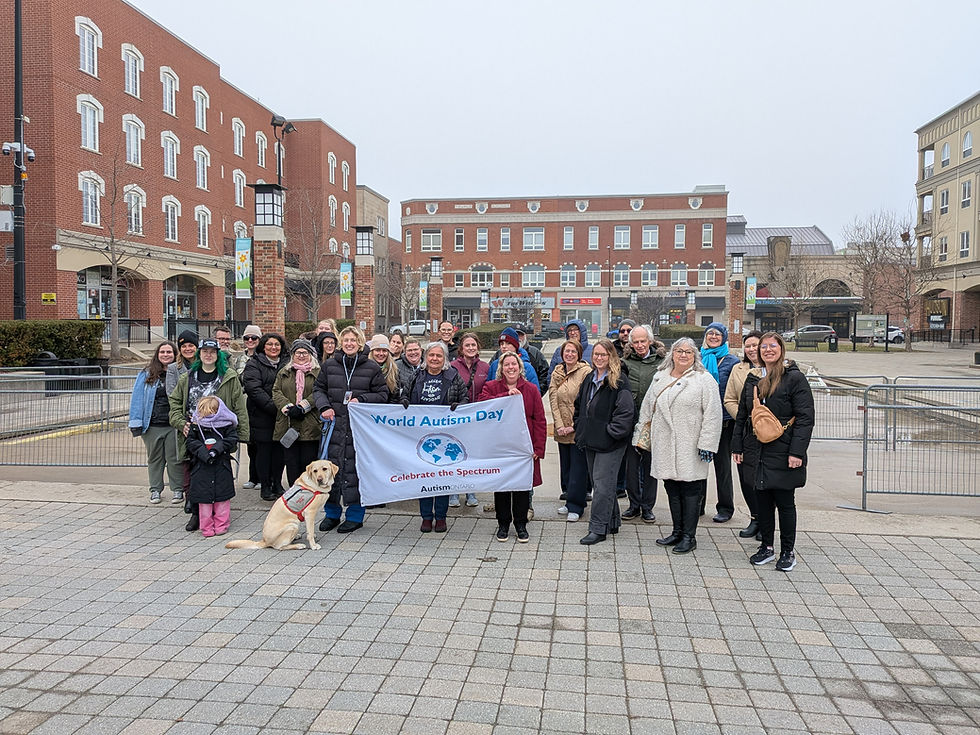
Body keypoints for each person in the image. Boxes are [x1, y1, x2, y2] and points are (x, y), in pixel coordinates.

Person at [732, 332, 814, 572]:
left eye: (772, 346)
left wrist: (797, 452)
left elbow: (805, 418)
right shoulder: (753, 378)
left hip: (784, 448)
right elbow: (743, 416)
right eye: (763, 347)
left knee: (785, 503)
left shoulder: (794, 378)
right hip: (756, 449)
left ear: (781, 349)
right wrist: (737, 446)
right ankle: (766, 547)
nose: (767, 350)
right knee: (763, 502)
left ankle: (788, 551)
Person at [639, 337, 721, 554]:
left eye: (688, 352)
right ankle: (676, 531)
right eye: (679, 351)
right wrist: (642, 434)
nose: (683, 355)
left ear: (695, 355)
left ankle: (689, 536)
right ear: (672, 354)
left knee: (690, 489)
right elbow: (647, 408)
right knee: (672, 487)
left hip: (690, 444)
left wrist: (707, 443)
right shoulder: (660, 376)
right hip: (664, 442)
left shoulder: (704, 379)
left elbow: (713, 414)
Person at [313, 326, 389, 534]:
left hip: (359, 430)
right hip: (334, 426)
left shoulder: (371, 368)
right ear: (341, 343)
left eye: (353, 340)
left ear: (360, 343)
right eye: (345, 340)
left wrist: (361, 399)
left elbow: (383, 394)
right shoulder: (329, 365)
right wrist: (324, 407)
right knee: (330, 470)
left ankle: (355, 516)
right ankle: (332, 514)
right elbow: (318, 389)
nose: (349, 344)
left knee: (356, 472)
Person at [169, 338, 250, 532]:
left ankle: (219, 516)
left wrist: (242, 433)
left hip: (220, 432)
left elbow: (239, 405)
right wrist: (181, 423)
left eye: (212, 352)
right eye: (204, 351)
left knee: (217, 474)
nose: (208, 355)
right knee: (194, 475)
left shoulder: (228, 377)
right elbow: (175, 403)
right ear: (199, 354)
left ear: (217, 354)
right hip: (194, 432)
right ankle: (196, 513)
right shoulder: (188, 377)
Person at [479, 351, 546, 543]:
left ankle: (520, 524)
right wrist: (505, 396)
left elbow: (540, 420)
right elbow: (481, 406)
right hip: (500, 446)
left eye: (514, 364)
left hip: (524, 448)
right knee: (502, 486)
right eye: (507, 364)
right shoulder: (491, 387)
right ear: (501, 368)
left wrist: (538, 448)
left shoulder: (531, 389)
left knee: (521, 487)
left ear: (520, 367)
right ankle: (503, 524)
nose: (510, 367)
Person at [574, 338, 635, 545]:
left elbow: (626, 413)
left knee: (601, 485)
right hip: (590, 439)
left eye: (603, 355)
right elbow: (579, 405)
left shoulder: (619, 380)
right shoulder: (590, 377)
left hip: (610, 443)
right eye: (596, 354)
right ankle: (613, 521)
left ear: (611, 357)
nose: (599, 358)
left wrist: (610, 432)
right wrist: (580, 426)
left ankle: (598, 528)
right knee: (602, 484)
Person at [406, 341, 469, 533]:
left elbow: (465, 398)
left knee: (442, 477)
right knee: (424, 476)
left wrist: (459, 407)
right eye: (431, 355)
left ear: (445, 359)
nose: (435, 359)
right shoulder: (417, 376)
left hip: (445, 436)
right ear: (426, 357)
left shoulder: (453, 376)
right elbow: (404, 396)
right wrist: (404, 402)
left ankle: (441, 517)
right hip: (420, 436)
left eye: (439, 356)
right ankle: (426, 517)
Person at [622, 325, 667, 523]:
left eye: (643, 341)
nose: (640, 345)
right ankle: (634, 504)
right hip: (631, 421)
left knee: (650, 467)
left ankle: (648, 506)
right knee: (631, 468)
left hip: (653, 422)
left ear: (650, 341)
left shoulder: (662, 363)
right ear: (631, 344)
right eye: (636, 342)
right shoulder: (625, 363)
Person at [128, 341, 182, 505]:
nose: (166, 355)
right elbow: (137, 398)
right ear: (157, 355)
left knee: (175, 459)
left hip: (173, 425)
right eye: (162, 352)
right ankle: (155, 490)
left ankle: (178, 489)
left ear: (175, 354)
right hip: (152, 425)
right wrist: (135, 422)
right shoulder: (146, 374)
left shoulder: (180, 372)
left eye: (169, 352)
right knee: (155, 459)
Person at [724, 330, 764, 539]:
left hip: (770, 432)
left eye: (755, 345)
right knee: (746, 478)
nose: (751, 349)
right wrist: (744, 417)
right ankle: (755, 517)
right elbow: (729, 399)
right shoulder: (737, 369)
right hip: (745, 430)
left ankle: (766, 521)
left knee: (766, 478)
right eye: (747, 346)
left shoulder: (777, 369)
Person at [700, 322, 741, 523]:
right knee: (698, 466)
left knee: (722, 467)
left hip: (724, 422)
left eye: (718, 334)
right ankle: (697, 505)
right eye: (710, 333)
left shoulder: (732, 361)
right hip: (701, 421)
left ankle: (725, 507)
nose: (713, 336)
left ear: (724, 337)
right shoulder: (698, 358)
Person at [242, 332, 289, 500]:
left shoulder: (287, 363)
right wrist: (274, 407)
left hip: (283, 415)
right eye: (269, 344)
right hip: (262, 414)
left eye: (277, 344)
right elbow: (254, 389)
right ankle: (266, 486)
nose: (273, 347)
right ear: (263, 346)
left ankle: (277, 483)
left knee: (280, 452)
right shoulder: (254, 363)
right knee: (264, 452)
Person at [549, 340, 592, 522]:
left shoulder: (586, 372)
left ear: (579, 354)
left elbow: (587, 402)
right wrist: (559, 425)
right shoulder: (557, 372)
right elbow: (553, 399)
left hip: (578, 429)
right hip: (561, 429)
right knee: (566, 468)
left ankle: (577, 505)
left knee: (578, 469)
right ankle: (569, 501)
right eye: (567, 351)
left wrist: (573, 426)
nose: (570, 354)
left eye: (573, 351)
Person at [184, 396, 239, 537]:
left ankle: (221, 525)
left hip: (221, 466)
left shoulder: (226, 424)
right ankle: (206, 527)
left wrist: (216, 449)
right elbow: (191, 442)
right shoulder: (196, 425)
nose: (204, 415)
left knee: (222, 501)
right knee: (204, 502)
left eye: (208, 412)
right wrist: (204, 453)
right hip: (201, 467)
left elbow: (231, 439)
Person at [273, 339, 322, 486]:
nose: (301, 355)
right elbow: (276, 391)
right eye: (298, 352)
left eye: (304, 352)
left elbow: (320, 391)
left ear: (310, 354)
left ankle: (309, 492)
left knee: (308, 464)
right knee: (291, 463)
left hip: (310, 424)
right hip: (288, 424)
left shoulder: (318, 372)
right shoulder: (284, 372)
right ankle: (294, 492)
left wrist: (303, 406)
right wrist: (287, 407)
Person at [448, 332, 489, 508]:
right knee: (455, 454)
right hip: (457, 418)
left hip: (477, 419)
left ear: (478, 347)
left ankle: (471, 490)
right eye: (467, 345)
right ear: (461, 348)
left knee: (472, 456)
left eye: (473, 345)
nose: (471, 348)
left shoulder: (485, 367)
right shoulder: (452, 367)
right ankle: (453, 491)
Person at [232, 324, 262, 490]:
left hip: (259, 403)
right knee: (250, 443)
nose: (250, 340)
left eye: (254, 338)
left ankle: (263, 478)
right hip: (244, 403)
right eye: (247, 338)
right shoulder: (239, 359)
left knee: (261, 443)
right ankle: (253, 477)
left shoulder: (262, 357)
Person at [514, 325, 550, 395]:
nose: (518, 338)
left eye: (520, 335)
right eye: (516, 335)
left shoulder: (535, 353)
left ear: (525, 336)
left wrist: (537, 393)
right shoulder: (501, 353)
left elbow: (545, 374)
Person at [369, 334, 402, 404]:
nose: (381, 353)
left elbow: (395, 397)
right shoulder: (365, 369)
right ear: (372, 351)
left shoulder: (394, 370)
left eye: (384, 350)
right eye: (377, 350)